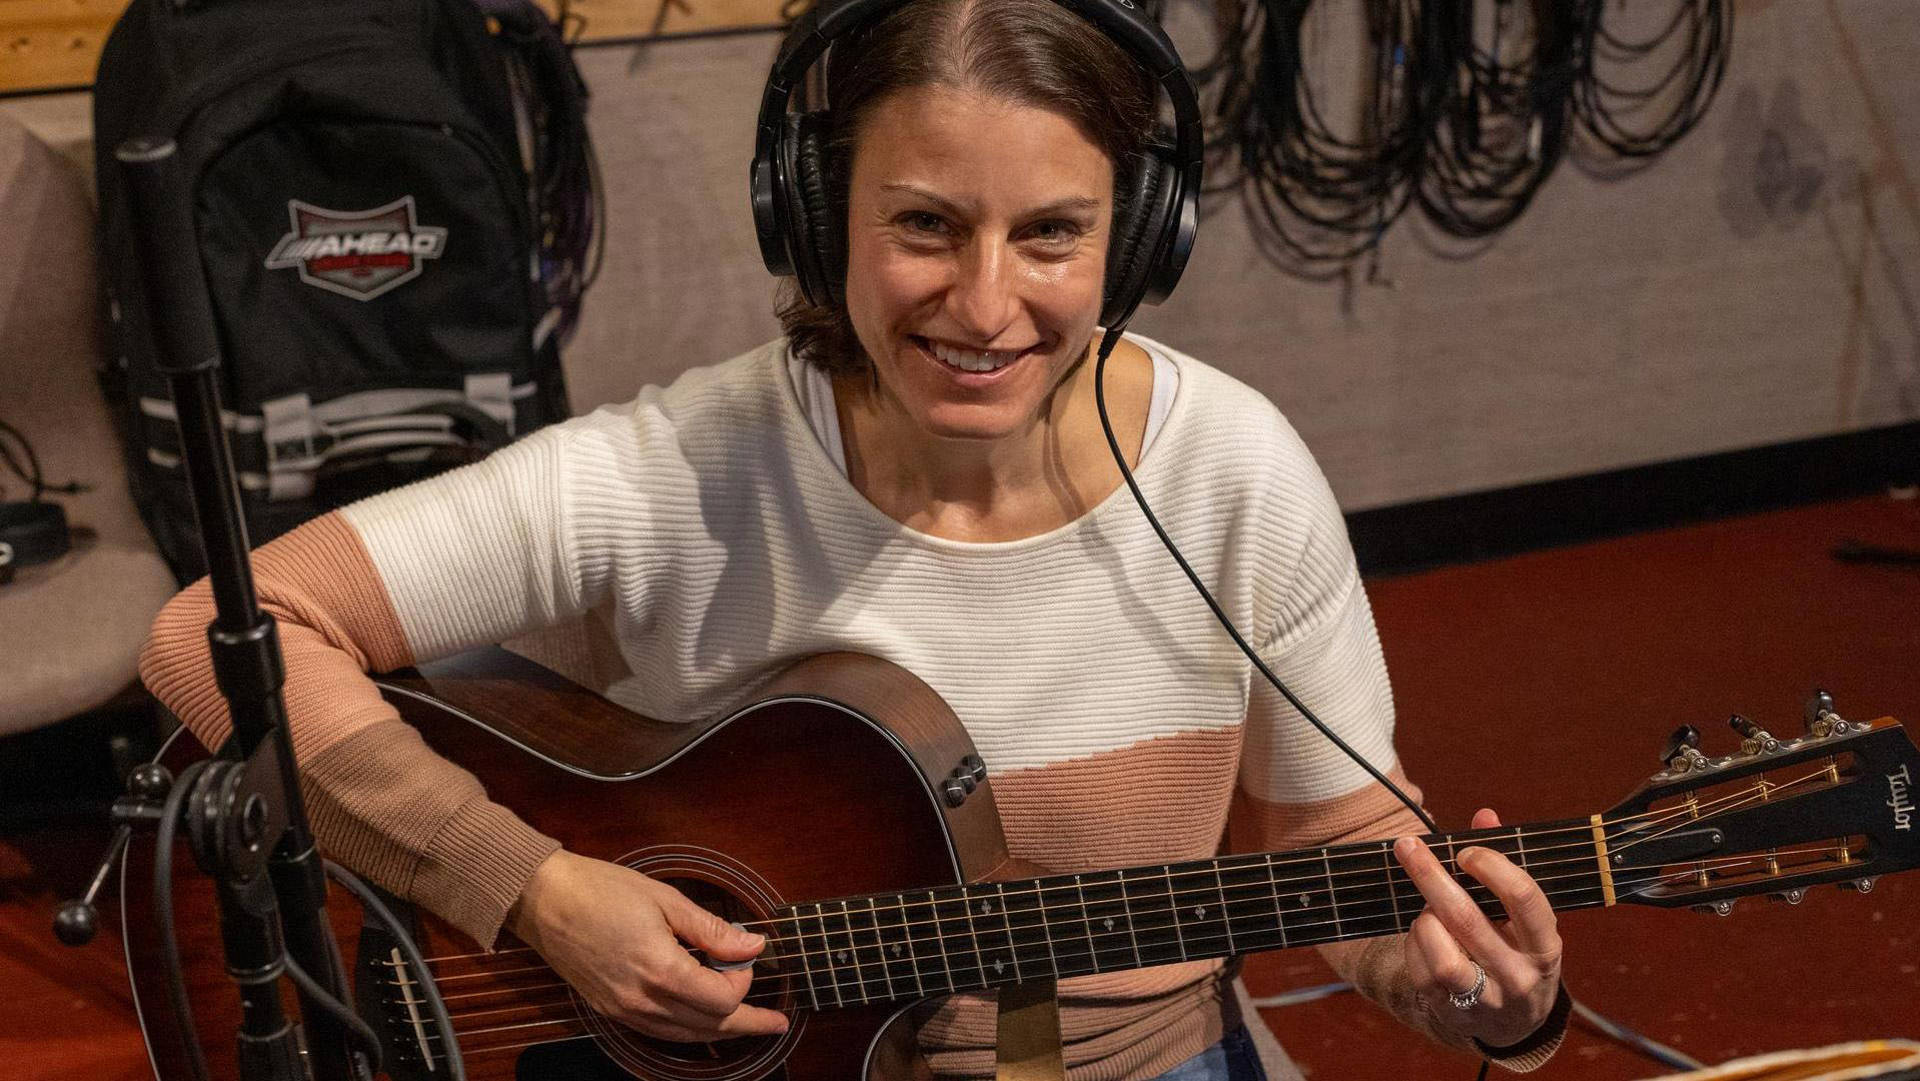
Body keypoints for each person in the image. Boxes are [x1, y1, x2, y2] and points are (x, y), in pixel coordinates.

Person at [140, 0, 1572, 1076]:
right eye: (927, 223)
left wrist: (1472, 992)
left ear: (1138, 238)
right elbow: (212, 635)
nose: (987, 304)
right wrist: (537, 892)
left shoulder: (1235, 470)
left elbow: (1345, 843)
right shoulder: (677, 471)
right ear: (816, 213)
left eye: (1055, 234)